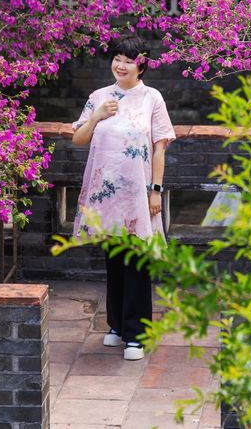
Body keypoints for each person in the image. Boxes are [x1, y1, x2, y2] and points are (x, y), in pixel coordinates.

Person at [72, 35, 176, 360]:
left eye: (128, 60)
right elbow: (78, 139)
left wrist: (155, 190)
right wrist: (97, 115)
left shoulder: (151, 98)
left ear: (141, 64)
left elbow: (160, 146)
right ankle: (115, 326)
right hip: (106, 195)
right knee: (114, 261)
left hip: (138, 195)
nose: (120, 65)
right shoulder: (99, 97)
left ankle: (136, 336)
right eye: (117, 58)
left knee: (137, 264)